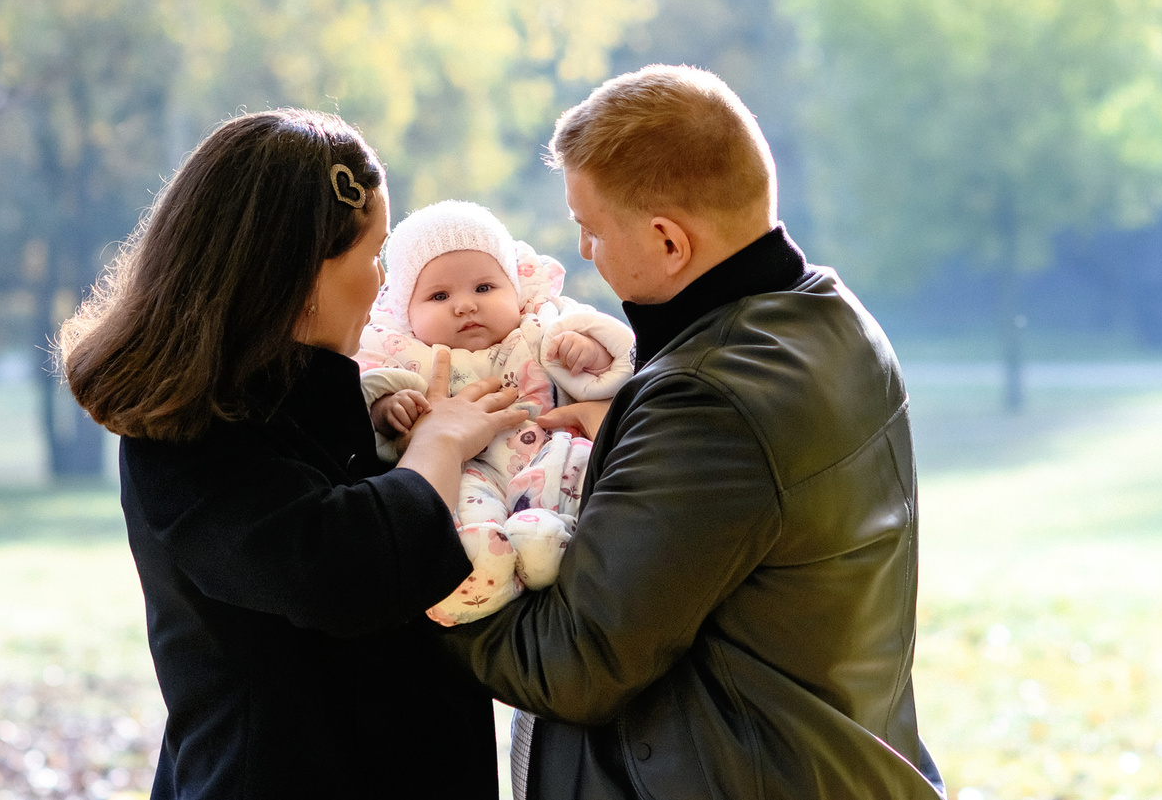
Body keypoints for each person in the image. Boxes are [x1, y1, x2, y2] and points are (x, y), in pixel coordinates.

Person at [446, 65, 944, 798]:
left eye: (591, 229)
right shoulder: (838, 322)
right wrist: (623, 441)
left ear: (668, 242)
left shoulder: (704, 401)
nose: (584, 251)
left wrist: (406, 548)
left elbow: (571, 664)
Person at [59, 110, 524, 800]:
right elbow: (340, 567)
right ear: (301, 275)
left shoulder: (329, 392)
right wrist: (439, 446)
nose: (383, 285)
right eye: (374, 256)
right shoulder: (186, 434)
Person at [356, 199, 639, 625]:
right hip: (471, 469)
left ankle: (549, 537)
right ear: (405, 311)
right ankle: (480, 570)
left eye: (484, 288)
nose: (465, 305)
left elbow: (619, 365)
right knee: (456, 506)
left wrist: (588, 352)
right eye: (439, 295)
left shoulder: (539, 328)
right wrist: (388, 408)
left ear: (515, 286)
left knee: (580, 463)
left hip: (549, 451)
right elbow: (367, 397)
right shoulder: (405, 355)